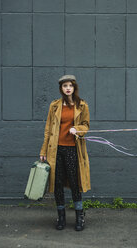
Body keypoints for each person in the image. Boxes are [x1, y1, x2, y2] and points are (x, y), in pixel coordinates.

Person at [39, 74, 91, 231]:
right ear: (61, 88)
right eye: (65, 86)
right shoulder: (54, 106)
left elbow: (86, 125)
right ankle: (61, 216)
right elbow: (48, 130)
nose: (68, 88)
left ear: (74, 87)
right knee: (57, 184)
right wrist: (43, 150)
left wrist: (78, 129)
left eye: (70, 85)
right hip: (55, 150)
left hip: (73, 149)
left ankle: (79, 216)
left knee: (75, 184)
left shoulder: (82, 105)